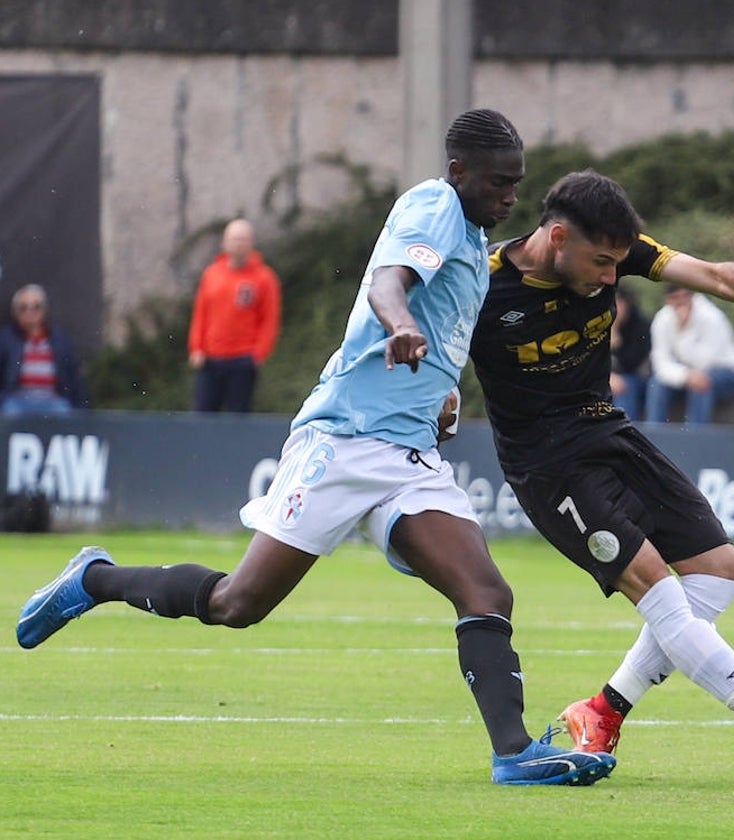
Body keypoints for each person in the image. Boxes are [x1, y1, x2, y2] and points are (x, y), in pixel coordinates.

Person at [16, 109, 615, 788]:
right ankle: (94, 580)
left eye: (518, 183)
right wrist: (399, 326)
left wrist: (441, 391)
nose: (511, 197)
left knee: (485, 590)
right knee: (237, 604)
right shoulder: (435, 205)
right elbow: (390, 283)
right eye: (500, 182)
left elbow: (443, 329)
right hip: (347, 439)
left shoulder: (476, 241)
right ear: (459, 173)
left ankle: (514, 755)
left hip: (406, 455)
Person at [470, 170, 734, 778]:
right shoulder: (482, 282)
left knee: (721, 572)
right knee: (662, 594)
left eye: (617, 264)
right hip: (549, 465)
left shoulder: (618, 254)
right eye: (600, 263)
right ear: (558, 235)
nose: (609, 278)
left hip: (608, 433)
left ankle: (602, 709)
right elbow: (435, 349)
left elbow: (713, 275)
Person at [188, 218, 283, 413]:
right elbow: (201, 313)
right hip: (210, 358)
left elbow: (270, 320)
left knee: (238, 417)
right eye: (234, 239)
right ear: (224, 242)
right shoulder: (212, 274)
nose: (238, 244)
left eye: (243, 239)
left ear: (251, 243)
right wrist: (196, 347)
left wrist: (258, 354)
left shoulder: (264, 278)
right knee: (202, 416)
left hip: (242, 359)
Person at [644, 284, 734, 424]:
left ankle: (695, 438)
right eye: (675, 298)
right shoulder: (662, 319)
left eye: (684, 297)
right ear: (668, 300)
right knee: (656, 384)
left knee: (701, 382)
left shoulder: (711, 316)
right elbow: (660, 363)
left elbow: (705, 362)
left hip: (727, 373)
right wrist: (684, 376)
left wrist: (683, 330)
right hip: (688, 376)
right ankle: (653, 436)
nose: (681, 302)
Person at [0, 283, 88, 415]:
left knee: (64, 413)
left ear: (44, 309)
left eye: (36, 307)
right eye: (24, 308)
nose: (30, 312)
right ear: (15, 312)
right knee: (9, 411)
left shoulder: (60, 340)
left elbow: (74, 378)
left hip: (52, 400)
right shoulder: (5, 340)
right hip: (18, 400)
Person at [609, 286, 652, 420]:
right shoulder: (597, 323)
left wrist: (616, 340)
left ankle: (627, 431)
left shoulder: (640, 324)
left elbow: (632, 362)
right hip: (606, 377)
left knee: (625, 386)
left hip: (636, 377)